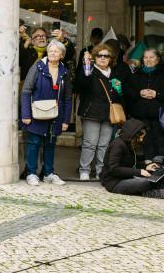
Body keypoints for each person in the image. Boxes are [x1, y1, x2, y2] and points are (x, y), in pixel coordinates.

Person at [21, 39, 73, 186]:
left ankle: (48, 173)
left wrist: (66, 120)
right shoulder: (37, 67)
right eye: (50, 50)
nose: (53, 53)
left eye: (56, 51)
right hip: (36, 113)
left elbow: (67, 97)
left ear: (62, 55)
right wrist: (26, 114)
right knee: (34, 143)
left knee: (50, 143)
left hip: (56, 115)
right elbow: (26, 91)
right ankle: (31, 173)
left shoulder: (64, 72)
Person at [74, 44, 123, 180]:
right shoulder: (89, 70)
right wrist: (86, 66)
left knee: (104, 145)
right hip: (91, 112)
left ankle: (100, 171)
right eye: (99, 55)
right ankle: (84, 170)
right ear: (94, 57)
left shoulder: (114, 73)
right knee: (90, 143)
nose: (102, 58)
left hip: (109, 114)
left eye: (106, 56)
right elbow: (79, 86)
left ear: (111, 59)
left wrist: (119, 91)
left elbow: (119, 96)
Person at [100, 118, 164, 198]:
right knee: (144, 183)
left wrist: (145, 166)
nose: (141, 140)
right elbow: (114, 169)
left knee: (158, 165)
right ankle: (151, 192)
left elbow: (131, 164)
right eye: (140, 137)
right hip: (114, 182)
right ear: (133, 134)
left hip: (128, 177)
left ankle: (155, 188)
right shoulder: (117, 145)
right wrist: (139, 172)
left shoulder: (130, 144)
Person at [126, 48, 164, 160]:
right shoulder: (136, 73)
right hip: (140, 116)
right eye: (146, 57)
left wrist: (156, 94)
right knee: (145, 141)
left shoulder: (162, 74)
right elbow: (127, 91)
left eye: (151, 57)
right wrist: (139, 93)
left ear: (158, 59)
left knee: (160, 140)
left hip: (159, 116)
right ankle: (148, 164)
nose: (148, 60)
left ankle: (160, 166)